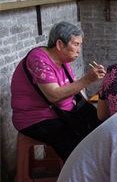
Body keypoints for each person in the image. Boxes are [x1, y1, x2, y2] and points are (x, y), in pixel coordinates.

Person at [10, 21, 105, 161]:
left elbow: (76, 89)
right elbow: (53, 95)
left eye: (80, 45)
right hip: (38, 119)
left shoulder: (63, 61)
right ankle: (79, 177)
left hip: (63, 113)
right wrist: (88, 79)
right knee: (76, 147)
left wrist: (91, 108)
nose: (79, 50)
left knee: (101, 125)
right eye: (76, 44)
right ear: (60, 44)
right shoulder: (38, 60)